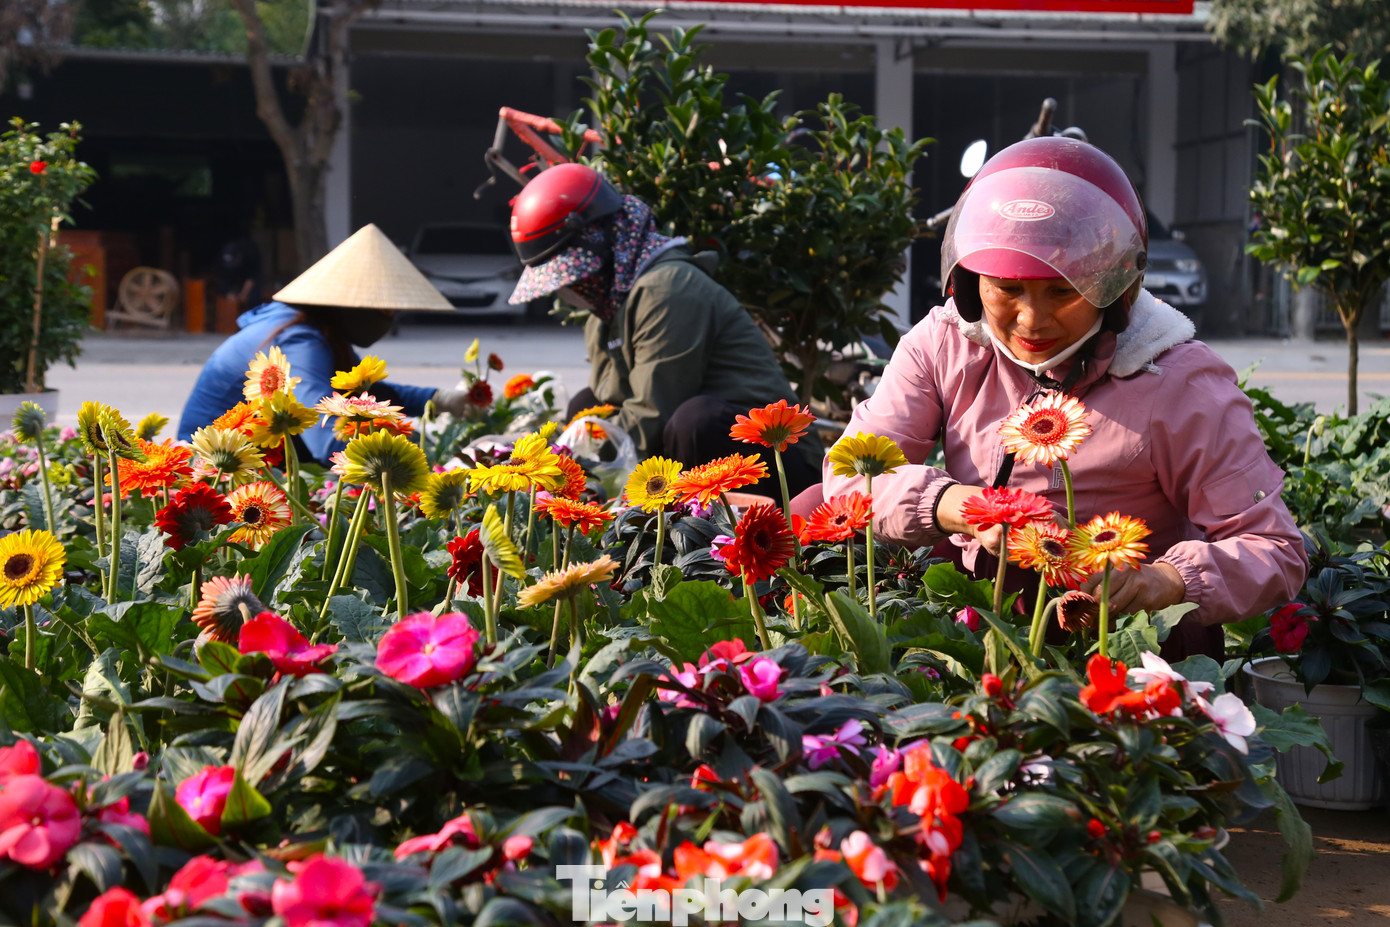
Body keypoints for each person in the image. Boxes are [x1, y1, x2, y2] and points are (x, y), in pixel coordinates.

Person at [819, 137, 1308, 661]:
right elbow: (850, 473)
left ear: (1116, 288)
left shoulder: (1180, 380)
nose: (1032, 320)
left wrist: (1167, 580)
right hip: (974, 613)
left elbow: (1274, 549)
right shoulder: (945, 344)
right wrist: (958, 507)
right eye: (1008, 289)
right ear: (969, 283)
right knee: (806, 510)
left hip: (1121, 637)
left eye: (1062, 291)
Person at [505, 163, 822, 496]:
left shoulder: (667, 288)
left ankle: (703, 521)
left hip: (781, 463)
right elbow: (610, 403)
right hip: (693, 441)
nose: (568, 289)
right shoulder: (609, 306)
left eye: (572, 275)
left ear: (602, 245)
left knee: (695, 422)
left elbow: (651, 415)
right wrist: (556, 452)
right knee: (586, 407)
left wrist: (566, 468)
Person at [179, 223, 482, 466]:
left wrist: (439, 399)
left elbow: (366, 391)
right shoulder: (298, 339)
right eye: (384, 309)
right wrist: (403, 463)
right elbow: (323, 432)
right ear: (352, 306)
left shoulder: (317, 329)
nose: (387, 319)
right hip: (214, 464)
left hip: (252, 449)